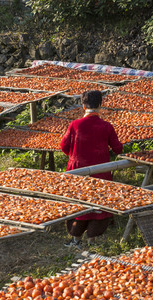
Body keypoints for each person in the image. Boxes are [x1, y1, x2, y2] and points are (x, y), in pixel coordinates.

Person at [60, 90, 123, 248]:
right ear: (100, 105)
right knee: (98, 202)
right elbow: (118, 149)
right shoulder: (106, 126)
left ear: (83, 105)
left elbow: (63, 146)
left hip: (78, 171)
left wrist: (75, 155)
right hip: (100, 171)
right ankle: (92, 240)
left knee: (78, 202)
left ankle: (75, 239)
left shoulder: (74, 125)